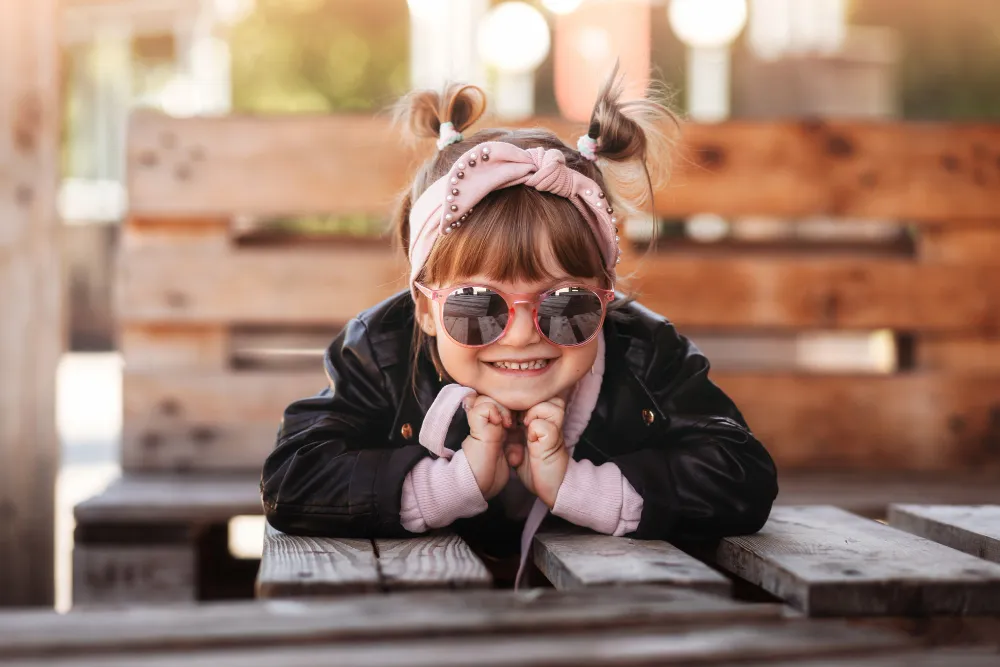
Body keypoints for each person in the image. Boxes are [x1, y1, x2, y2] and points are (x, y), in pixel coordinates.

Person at [261, 67, 778, 587]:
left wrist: (575, 485)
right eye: (477, 305)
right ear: (425, 308)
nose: (523, 332)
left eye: (566, 304)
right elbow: (292, 479)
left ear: (605, 298)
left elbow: (742, 477)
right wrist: (450, 483)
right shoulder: (382, 351)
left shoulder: (643, 351)